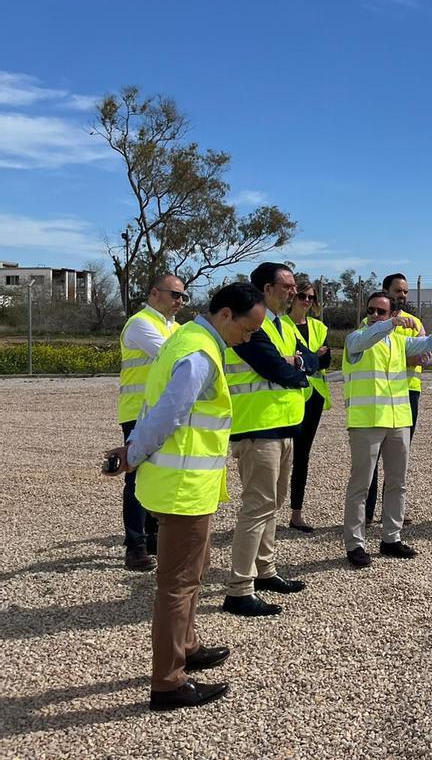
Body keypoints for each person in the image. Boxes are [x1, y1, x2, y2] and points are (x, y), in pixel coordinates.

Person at [103, 282, 267, 710]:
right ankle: (168, 682)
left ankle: (187, 647)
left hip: (187, 485)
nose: (247, 339)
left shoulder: (186, 340)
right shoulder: (198, 352)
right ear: (226, 315)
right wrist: (133, 454)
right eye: (248, 330)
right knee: (177, 585)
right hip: (182, 489)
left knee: (193, 572)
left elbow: (154, 408)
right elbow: (167, 414)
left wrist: (133, 451)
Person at [222, 262, 316, 617]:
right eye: (288, 286)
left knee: (271, 504)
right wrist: (292, 367)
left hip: (284, 427)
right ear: (266, 288)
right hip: (257, 429)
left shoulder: (283, 325)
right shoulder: (251, 326)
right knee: (256, 507)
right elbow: (275, 369)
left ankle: (265, 571)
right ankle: (239, 589)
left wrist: (295, 365)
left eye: (294, 286)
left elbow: (308, 362)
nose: (294, 291)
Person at [342, 291, 432, 568]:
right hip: (366, 420)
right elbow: (369, 337)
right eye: (371, 311)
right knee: (360, 485)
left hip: (398, 420)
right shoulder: (356, 339)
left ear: (394, 313)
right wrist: (388, 325)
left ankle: (391, 538)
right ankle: (355, 544)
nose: (374, 316)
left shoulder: (399, 342)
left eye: (381, 312)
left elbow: (428, 343)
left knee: (397, 482)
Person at [117, 273, 187, 571]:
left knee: (161, 473)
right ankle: (135, 545)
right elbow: (172, 358)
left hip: (163, 411)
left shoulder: (178, 328)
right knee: (135, 477)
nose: (180, 301)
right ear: (154, 293)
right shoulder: (141, 324)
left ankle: (154, 536)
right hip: (138, 412)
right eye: (175, 295)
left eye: (183, 296)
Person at [364, 272, 427, 525]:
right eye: (398, 291)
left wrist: (410, 357)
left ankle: (392, 512)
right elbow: (366, 349)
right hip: (378, 392)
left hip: (408, 391)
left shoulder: (414, 321)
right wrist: (406, 357)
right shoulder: (373, 319)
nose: (402, 296)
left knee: (397, 457)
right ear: (386, 291)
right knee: (372, 458)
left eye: (405, 292)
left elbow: (424, 353)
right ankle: (366, 514)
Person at [285, 278, 331, 532]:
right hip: (290, 393)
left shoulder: (319, 326)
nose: (306, 301)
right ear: (293, 297)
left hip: (314, 395)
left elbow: (326, 362)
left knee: (302, 455)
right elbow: (287, 361)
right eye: (302, 296)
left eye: (311, 297)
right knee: (281, 454)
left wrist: (303, 358)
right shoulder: (279, 325)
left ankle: (296, 513)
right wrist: (314, 356)